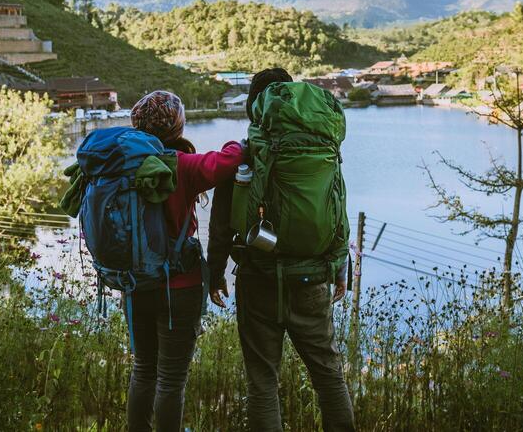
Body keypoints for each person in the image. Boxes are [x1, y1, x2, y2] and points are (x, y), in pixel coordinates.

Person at [207, 68, 357, 432]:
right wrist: (340, 266)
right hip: (311, 280)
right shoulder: (320, 145)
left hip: (258, 277)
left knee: (263, 383)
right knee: (328, 375)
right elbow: (334, 207)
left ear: (255, 107)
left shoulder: (244, 154)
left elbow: (221, 225)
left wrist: (214, 275)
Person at [121, 89, 241, 432]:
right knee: (171, 380)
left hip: (134, 283)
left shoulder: (121, 165)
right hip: (178, 287)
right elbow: (230, 159)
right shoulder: (182, 165)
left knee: (143, 369)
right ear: (177, 126)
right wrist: (238, 141)